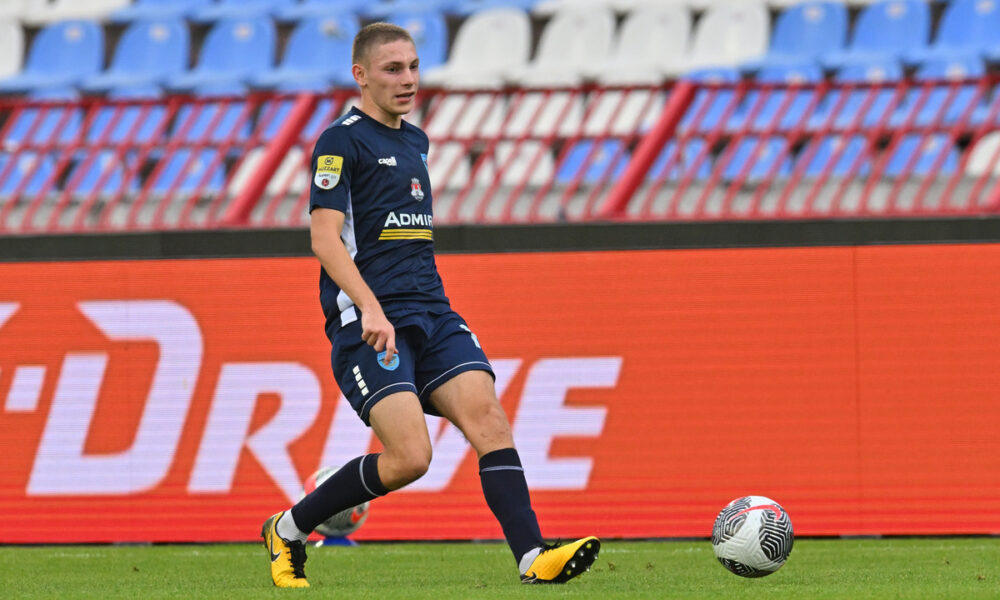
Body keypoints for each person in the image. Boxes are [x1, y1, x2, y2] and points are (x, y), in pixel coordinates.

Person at [260, 22, 600, 588]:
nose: (409, 80)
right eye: (393, 69)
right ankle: (288, 529)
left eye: (414, 67)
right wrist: (370, 307)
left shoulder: (415, 141)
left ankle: (532, 557)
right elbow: (324, 239)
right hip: (369, 320)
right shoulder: (340, 141)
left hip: (432, 311)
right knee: (411, 458)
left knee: (489, 419)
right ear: (360, 75)